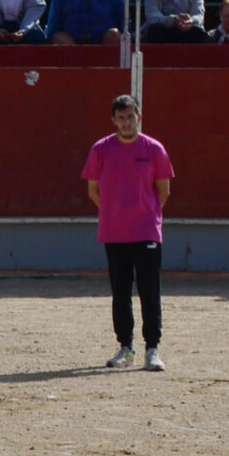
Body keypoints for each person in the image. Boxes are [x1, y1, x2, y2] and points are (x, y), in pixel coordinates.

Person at [85, 94, 171, 372]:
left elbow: (164, 190)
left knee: (149, 290)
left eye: (131, 117)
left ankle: (152, 349)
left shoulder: (154, 149)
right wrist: (116, 213)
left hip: (146, 230)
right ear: (113, 120)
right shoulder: (101, 149)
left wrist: (145, 215)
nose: (126, 122)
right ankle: (126, 348)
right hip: (114, 231)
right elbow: (93, 191)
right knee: (120, 291)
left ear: (139, 117)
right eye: (121, 118)